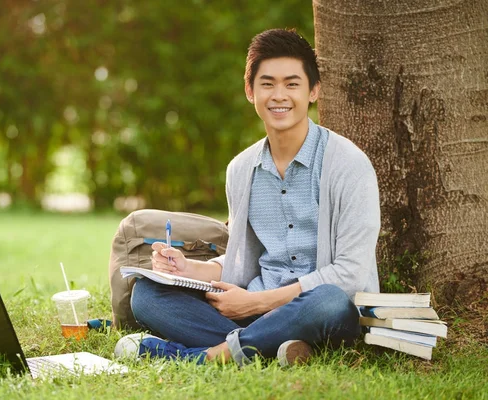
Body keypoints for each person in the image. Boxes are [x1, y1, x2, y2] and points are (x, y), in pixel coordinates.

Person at [114, 28, 381, 366]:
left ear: (314, 90)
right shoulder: (241, 169)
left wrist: (258, 304)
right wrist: (191, 268)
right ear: (250, 91)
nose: (279, 95)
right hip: (251, 311)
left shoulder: (348, 165)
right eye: (267, 84)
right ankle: (275, 348)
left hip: (320, 311)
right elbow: (245, 260)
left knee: (328, 300)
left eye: (292, 84)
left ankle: (208, 355)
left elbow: (351, 274)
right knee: (147, 295)